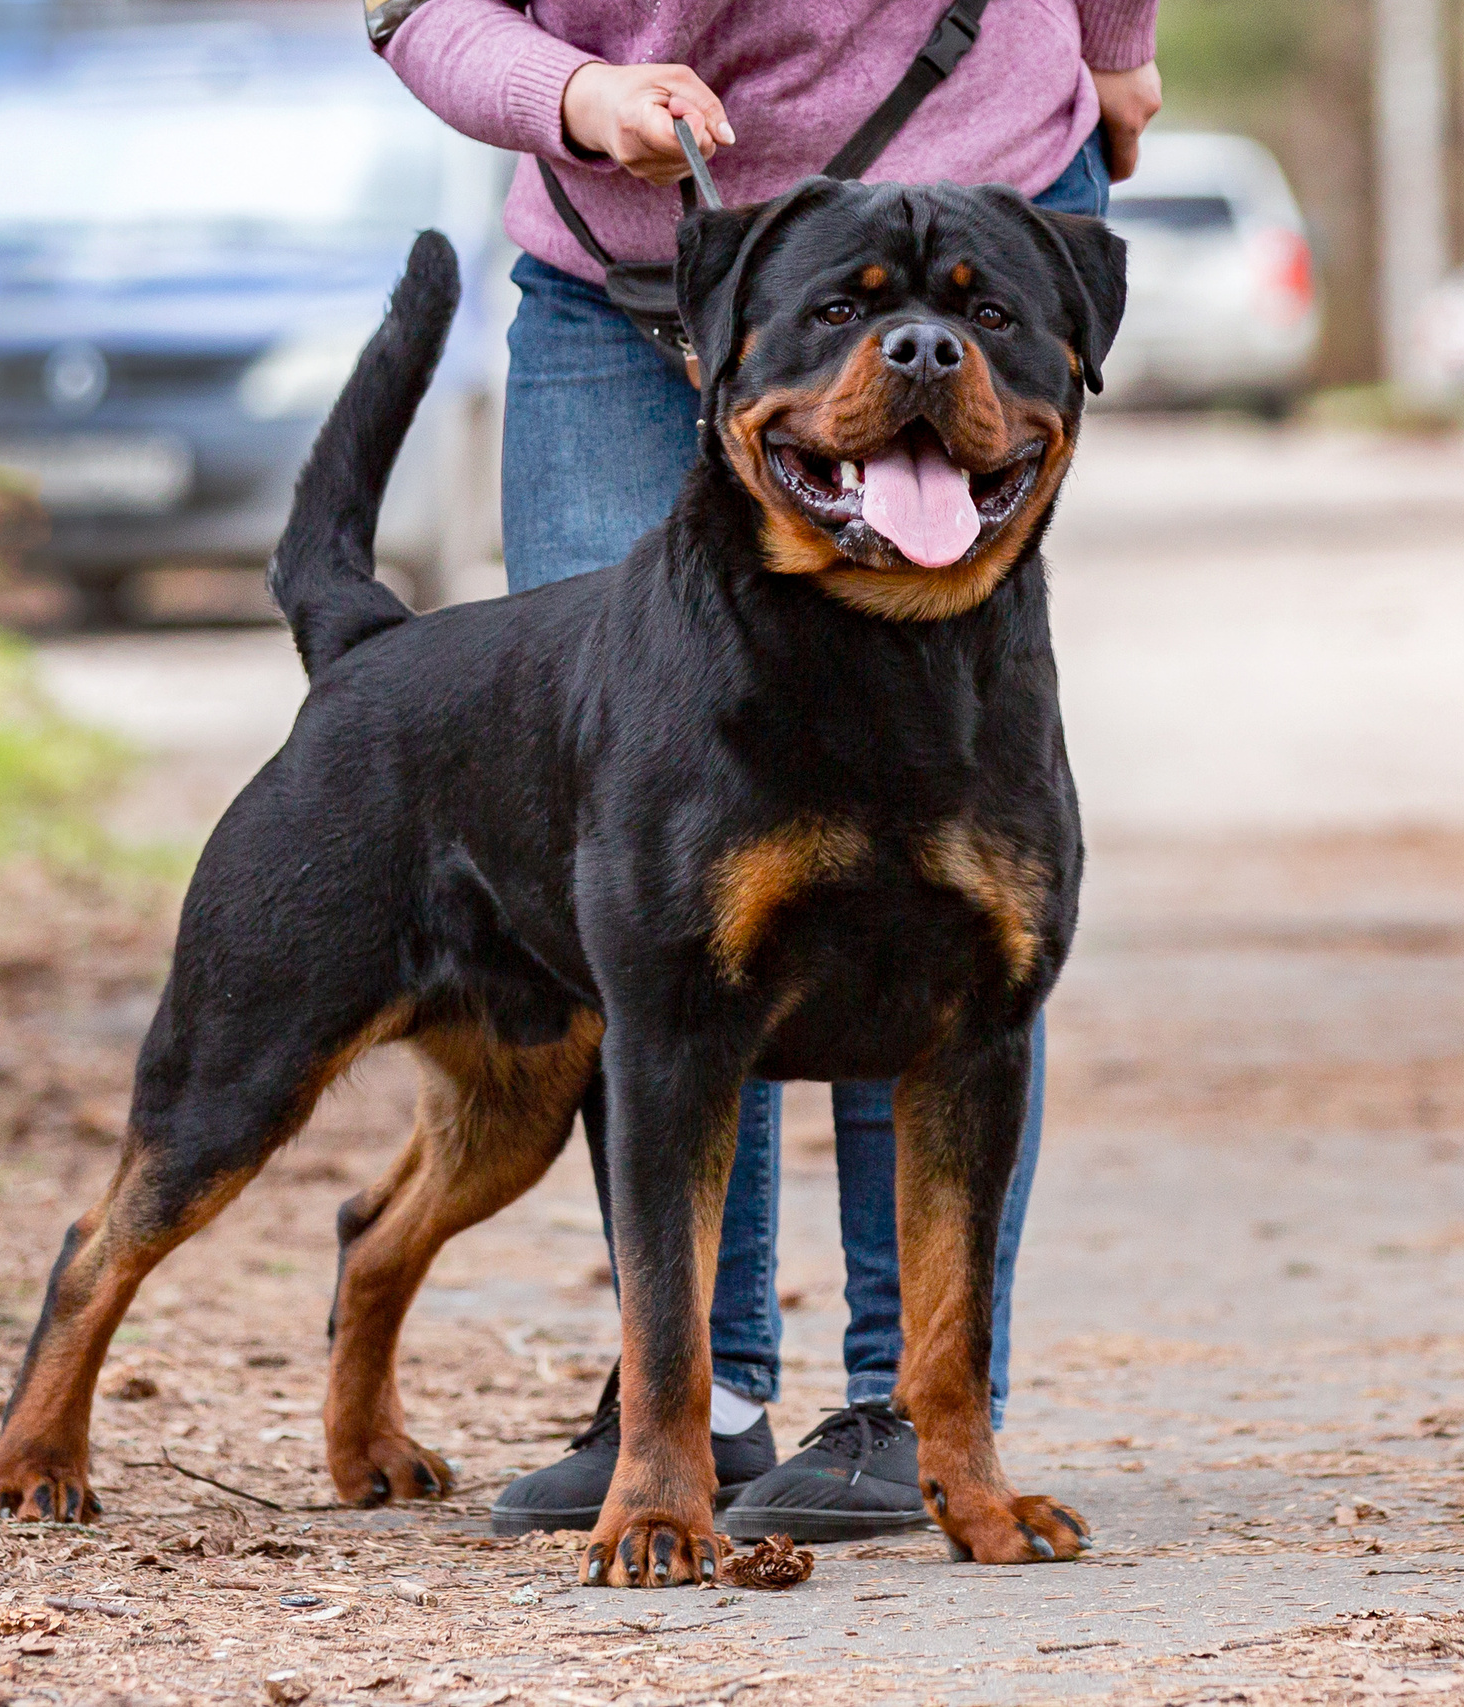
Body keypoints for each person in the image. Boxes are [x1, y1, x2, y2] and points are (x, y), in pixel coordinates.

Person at [378, 0, 1160, 1542]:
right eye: (887, 335)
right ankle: (691, 1403)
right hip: (619, 262)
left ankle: (911, 1414)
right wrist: (569, 88)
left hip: (997, 167)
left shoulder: (999, 301)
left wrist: (1115, 42)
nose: (909, 356)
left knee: (947, 935)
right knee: (654, 905)